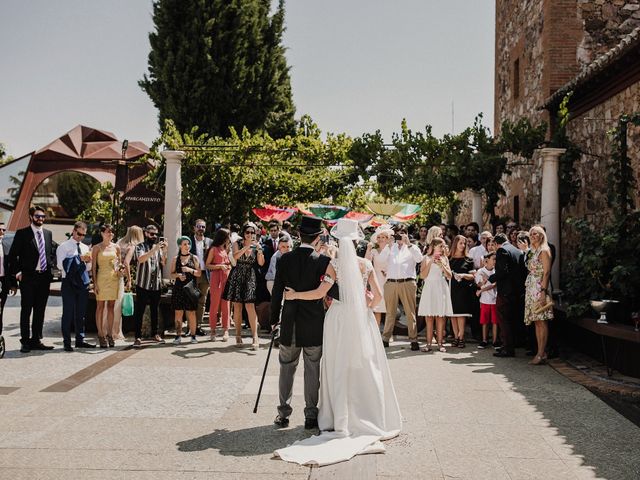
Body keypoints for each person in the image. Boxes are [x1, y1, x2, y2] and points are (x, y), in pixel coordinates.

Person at [274, 218, 401, 466]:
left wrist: (295, 295)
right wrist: (364, 307)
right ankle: (367, 412)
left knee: (336, 364)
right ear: (356, 242)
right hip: (359, 318)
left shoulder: (334, 265)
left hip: (338, 318)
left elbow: (321, 293)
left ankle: (334, 415)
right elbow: (377, 296)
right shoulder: (365, 265)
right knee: (364, 364)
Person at [270, 216, 335, 430]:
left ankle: (283, 413)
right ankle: (310, 414)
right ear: (317, 238)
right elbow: (331, 291)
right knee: (312, 367)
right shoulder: (323, 261)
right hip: (314, 322)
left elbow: (277, 292)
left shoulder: (284, 259)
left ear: (298, 235)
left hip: (289, 320)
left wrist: (273, 320)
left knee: (287, 367)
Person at [8, 206, 58, 353]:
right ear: (31, 217)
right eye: (37, 216)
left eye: (43, 216)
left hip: (44, 278)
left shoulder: (48, 234)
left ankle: (36, 340)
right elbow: (12, 256)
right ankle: (25, 341)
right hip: (28, 278)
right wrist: (17, 273)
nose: (41, 219)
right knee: (26, 310)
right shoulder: (22, 234)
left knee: (40, 310)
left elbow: (52, 252)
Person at [377, 225, 422, 350]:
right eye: (398, 234)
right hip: (391, 282)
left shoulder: (412, 247)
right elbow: (381, 260)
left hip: (407, 282)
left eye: (402, 233)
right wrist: (388, 246)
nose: (400, 236)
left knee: (410, 312)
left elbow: (419, 259)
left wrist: (408, 244)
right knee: (390, 313)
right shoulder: (391, 247)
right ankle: (385, 338)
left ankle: (413, 340)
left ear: (407, 234)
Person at [224, 222, 265, 350]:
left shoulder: (257, 244)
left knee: (250, 306)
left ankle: (255, 337)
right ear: (243, 233)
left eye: (253, 232)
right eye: (247, 232)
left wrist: (259, 251)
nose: (250, 234)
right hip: (238, 274)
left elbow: (261, 263)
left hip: (250, 276)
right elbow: (235, 257)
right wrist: (247, 247)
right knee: (237, 306)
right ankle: (237, 335)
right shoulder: (238, 243)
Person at [57, 221, 94, 352]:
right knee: (67, 313)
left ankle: (80, 340)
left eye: (83, 235)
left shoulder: (85, 247)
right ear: (73, 231)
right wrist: (78, 259)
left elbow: (88, 268)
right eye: (79, 233)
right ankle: (66, 342)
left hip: (82, 282)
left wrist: (87, 261)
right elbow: (60, 266)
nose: (80, 237)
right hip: (68, 282)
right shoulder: (64, 246)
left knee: (81, 313)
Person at [490, 233, 524, 358]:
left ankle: (507, 348)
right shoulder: (517, 250)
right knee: (512, 319)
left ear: (495, 243)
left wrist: (490, 278)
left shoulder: (502, 250)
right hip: (517, 291)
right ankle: (511, 344)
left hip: (505, 291)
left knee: (503, 319)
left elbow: (502, 271)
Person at [132, 225, 167, 347]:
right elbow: (140, 259)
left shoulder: (158, 248)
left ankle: (155, 334)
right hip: (143, 283)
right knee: (140, 311)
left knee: (154, 310)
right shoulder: (140, 246)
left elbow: (163, 263)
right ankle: (137, 336)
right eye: (152, 234)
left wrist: (164, 251)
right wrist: (154, 250)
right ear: (146, 233)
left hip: (155, 284)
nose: (154, 236)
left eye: (156, 234)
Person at [524, 226, 554, 365]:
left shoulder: (544, 250)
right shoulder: (533, 251)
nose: (532, 236)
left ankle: (541, 353)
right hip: (531, 287)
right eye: (531, 234)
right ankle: (541, 352)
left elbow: (546, 273)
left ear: (542, 236)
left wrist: (543, 292)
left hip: (539, 288)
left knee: (541, 320)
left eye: (535, 233)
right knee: (537, 321)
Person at [417, 238, 453, 352]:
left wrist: (442, 265)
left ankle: (440, 343)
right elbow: (422, 276)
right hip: (429, 287)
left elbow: (449, 276)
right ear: (434, 246)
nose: (443, 249)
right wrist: (431, 261)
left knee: (440, 316)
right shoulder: (426, 258)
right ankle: (428, 344)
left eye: (443, 246)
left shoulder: (445, 259)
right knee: (429, 316)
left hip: (441, 287)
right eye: (441, 246)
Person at [92, 224, 123, 348]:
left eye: (112, 232)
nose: (110, 234)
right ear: (102, 233)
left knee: (111, 306)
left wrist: (121, 269)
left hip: (113, 278)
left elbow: (119, 264)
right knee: (100, 306)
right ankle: (101, 334)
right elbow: (94, 267)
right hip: (101, 278)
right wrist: (94, 283)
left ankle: (110, 334)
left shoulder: (117, 247)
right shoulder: (96, 248)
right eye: (108, 232)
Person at [114, 226, 144, 339]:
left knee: (112, 304)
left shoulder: (120, 242)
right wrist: (130, 280)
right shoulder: (132, 246)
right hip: (122, 276)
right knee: (118, 305)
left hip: (114, 274)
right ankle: (116, 332)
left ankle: (109, 329)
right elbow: (126, 263)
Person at [171, 236, 202, 344]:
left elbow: (199, 273)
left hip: (190, 288)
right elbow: (171, 274)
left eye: (188, 244)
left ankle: (193, 336)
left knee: (192, 313)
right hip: (179, 288)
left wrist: (190, 270)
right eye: (184, 244)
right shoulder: (176, 259)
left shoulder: (194, 258)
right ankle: (178, 335)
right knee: (178, 313)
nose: (187, 246)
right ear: (180, 245)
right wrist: (178, 275)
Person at [448, 235, 476, 349]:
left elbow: (473, 276)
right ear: (455, 244)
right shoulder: (449, 259)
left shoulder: (468, 259)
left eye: (464, 243)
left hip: (463, 290)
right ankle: (456, 337)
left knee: (461, 314)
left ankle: (461, 337)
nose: (463, 245)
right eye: (461, 243)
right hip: (451, 288)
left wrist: (463, 275)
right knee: (452, 314)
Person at [205, 228, 232, 341]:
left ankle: (226, 329)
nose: (229, 239)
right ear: (223, 237)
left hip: (226, 277)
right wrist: (219, 266)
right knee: (214, 304)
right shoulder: (213, 249)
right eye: (227, 236)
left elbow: (228, 263)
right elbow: (207, 265)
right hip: (216, 278)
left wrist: (228, 266)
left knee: (226, 305)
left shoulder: (225, 249)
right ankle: (212, 330)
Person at [365, 224, 394, 327]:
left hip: (388, 279)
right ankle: (376, 331)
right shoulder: (373, 251)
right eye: (379, 237)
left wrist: (389, 271)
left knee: (388, 307)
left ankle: (387, 334)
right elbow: (366, 263)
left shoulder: (391, 250)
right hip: (376, 279)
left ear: (387, 239)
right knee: (377, 307)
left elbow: (395, 263)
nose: (381, 239)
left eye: (383, 237)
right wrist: (368, 249)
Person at [189, 219, 213, 336]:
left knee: (202, 302)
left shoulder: (209, 242)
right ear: (194, 228)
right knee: (191, 300)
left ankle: (198, 326)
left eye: (203, 227)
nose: (201, 229)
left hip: (205, 274)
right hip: (192, 274)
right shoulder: (188, 241)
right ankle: (190, 327)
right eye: (199, 226)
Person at [475, 252, 498, 349]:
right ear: (487, 260)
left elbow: (494, 284)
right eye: (493, 259)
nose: (495, 261)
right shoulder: (480, 271)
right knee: (484, 321)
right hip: (484, 300)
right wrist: (483, 282)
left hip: (495, 300)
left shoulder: (496, 271)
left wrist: (481, 290)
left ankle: (495, 341)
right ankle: (484, 340)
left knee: (495, 322)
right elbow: (479, 284)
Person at [0, 223, 17, 349]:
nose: (2, 232)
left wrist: (13, 284)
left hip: (2, 282)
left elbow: (11, 266)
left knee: (0, 311)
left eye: (3, 230)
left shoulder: (6, 245)